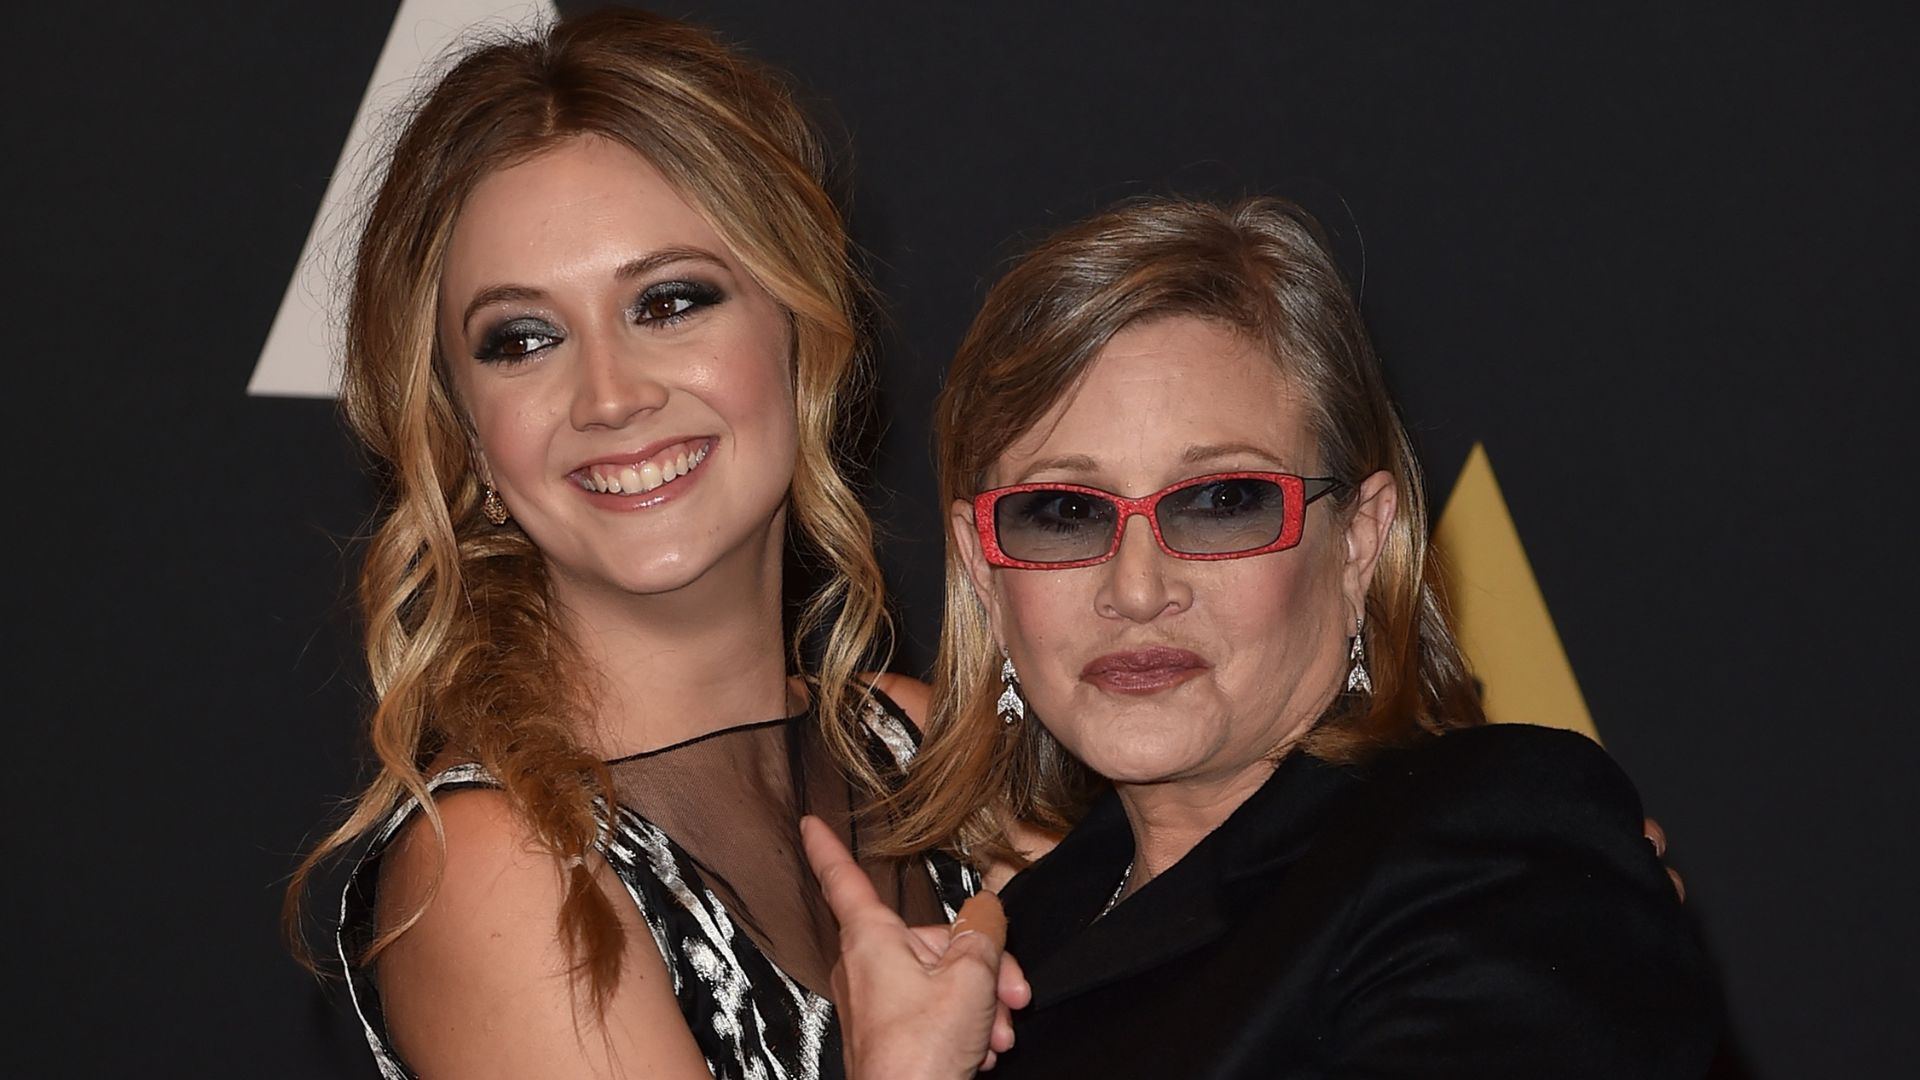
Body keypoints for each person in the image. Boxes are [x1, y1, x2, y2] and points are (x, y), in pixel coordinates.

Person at [808, 195, 1723, 1078]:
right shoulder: (1021, 935)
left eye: (1222, 504)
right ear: (983, 566)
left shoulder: (1485, 848)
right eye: (1062, 512)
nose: (1136, 589)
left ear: (1360, 539)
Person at [281, 10, 994, 1078]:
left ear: (800, 333)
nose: (610, 397)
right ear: (465, 432)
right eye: (524, 339)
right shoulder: (502, 872)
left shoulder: (935, 753)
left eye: (669, 302)